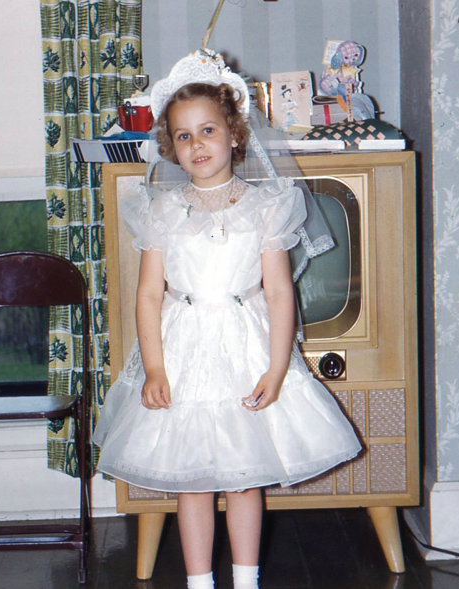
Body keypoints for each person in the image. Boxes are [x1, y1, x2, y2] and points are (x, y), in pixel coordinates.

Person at [93, 49, 362, 589]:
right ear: (170, 145)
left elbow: (279, 293)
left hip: (246, 346)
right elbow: (149, 296)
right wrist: (154, 369)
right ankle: (198, 582)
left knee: (243, 478)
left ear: (236, 135)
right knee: (192, 480)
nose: (197, 145)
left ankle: (245, 579)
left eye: (208, 130)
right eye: (184, 135)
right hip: (184, 348)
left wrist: (277, 367)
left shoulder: (266, 204)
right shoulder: (163, 209)